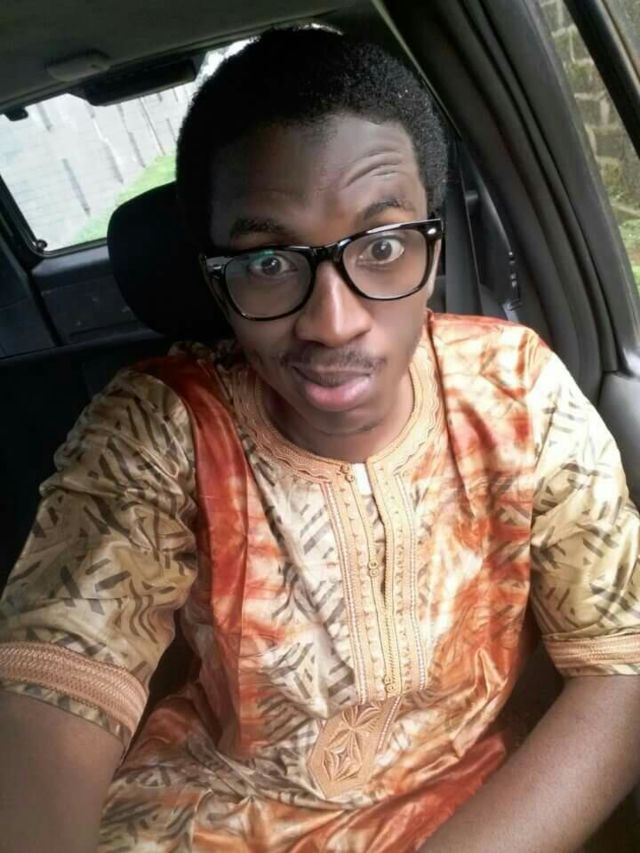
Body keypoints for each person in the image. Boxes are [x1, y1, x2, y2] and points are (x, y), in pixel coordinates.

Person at [1, 26, 639, 853]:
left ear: (434, 246)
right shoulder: (162, 425)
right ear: (216, 283)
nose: (332, 322)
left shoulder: (516, 388)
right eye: (268, 262)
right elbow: (54, 682)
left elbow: (623, 661)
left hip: (482, 804)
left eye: (382, 246)